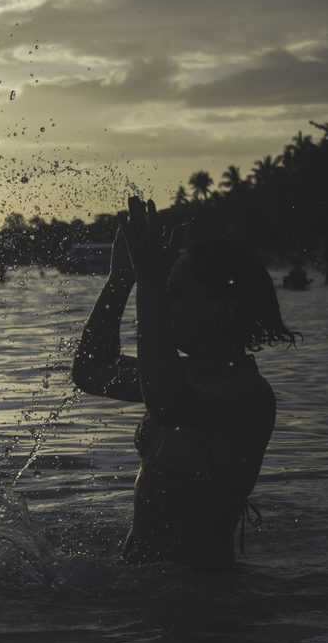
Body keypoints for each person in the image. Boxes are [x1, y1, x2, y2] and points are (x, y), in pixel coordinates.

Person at [71, 197, 300, 572]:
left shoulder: (249, 396)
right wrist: (121, 280)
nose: (164, 302)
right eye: (164, 290)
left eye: (175, 293)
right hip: (143, 586)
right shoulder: (184, 374)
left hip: (201, 598)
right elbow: (92, 370)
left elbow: (167, 404)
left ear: (222, 306)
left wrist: (149, 282)